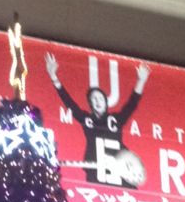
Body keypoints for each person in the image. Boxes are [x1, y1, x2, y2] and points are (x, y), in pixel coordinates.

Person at [45, 53, 149, 187]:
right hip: (96, 169)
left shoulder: (116, 120)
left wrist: (141, 81)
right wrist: (54, 77)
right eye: (94, 99)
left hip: (121, 170)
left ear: (106, 102)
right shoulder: (87, 120)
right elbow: (70, 103)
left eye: (100, 98)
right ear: (90, 104)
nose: (98, 101)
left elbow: (131, 104)